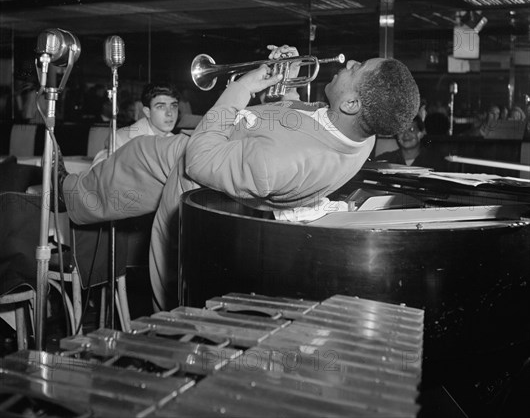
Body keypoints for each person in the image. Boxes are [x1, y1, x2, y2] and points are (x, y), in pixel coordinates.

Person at [58, 46, 420, 310]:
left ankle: (60, 196)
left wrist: (241, 89)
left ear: (353, 104)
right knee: (129, 163)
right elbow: (304, 125)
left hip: (199, 174)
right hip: (225, 151)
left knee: (122, 175)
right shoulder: (361, 131)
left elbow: (199, 161)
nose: (351, 61)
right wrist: (288, 84)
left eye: (358, 68)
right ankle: (71, 197)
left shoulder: (278, 162)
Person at [91, 82, 180, 167]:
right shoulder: (122, 139)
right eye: (161, 107)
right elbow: (98, 176)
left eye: (174, 106)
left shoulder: (178, 143)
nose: (170, 113)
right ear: (147, 112)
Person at [376, 115, 448, 171]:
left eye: (411, 130)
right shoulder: (385, 160)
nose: (406, 134)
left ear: (421, 134)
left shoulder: (435, 162)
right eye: (401, 130)